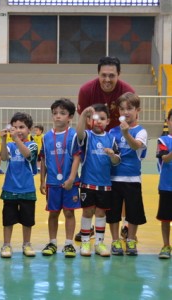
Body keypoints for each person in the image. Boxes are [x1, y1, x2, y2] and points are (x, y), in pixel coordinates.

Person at [76, 56, 135, 241]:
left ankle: (125, 224)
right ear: (98, 74)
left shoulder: (127, 91)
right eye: (103, 75)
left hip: (118, 138)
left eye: (112, 75)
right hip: (94, 139)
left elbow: (132, 120)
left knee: (120, 183)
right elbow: (84, 123)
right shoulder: (86, 90)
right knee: (92, 184)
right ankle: (89, 227)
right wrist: (91, 142)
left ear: (119, 74)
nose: (107, 79)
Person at [106, 92, 147, 256]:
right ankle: (115, 240)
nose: (125, 112)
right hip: (113, 179)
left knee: (133, 213)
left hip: (132, 179)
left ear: (138, 110)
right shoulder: (112, 132)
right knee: (113, 212)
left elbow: (136, 146)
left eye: (129, 108)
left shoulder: (141, 131)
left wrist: (126, 134)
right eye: (122, 109)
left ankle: (130, 240)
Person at [77, 103, 120, 257]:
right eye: (95, 118)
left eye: (102, 118)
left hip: (105, 185)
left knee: (101, 213)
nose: (99, 121)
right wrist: (83, 115)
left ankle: (100, 243)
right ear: (90, 121)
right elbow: (79, 133)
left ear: (108, 121)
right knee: (87, 212)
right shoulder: (88, 136)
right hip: (88, 182)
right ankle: (85, 242)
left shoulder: (111, 138)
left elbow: (116, 161)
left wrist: (112, 156)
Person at [40, 99, 81, 258]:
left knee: (69, 213)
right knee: (53, 213)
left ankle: (69, 244)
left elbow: (77, 158)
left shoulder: (74, 135)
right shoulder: (46, 137)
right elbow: (43, 160)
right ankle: (52, 242)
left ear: (70, 117)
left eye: (62, 113)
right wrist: (42, 181)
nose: (58, 116)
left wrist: (71, 178)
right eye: (55, 113)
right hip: (52, 183)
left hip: (70, 182)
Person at [0, 112, 38, 258]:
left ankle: (26, 244)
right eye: (14, 127)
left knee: (27, 220)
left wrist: (16, 139)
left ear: (29, 129)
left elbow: (28, 155)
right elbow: (3, 157)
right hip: (10, 188)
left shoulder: (32, 144)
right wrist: (3, 141)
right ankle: (6, 244)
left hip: (27, 189)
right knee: (8, 219)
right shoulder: (10, 145)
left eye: (21, 127)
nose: (18, 130)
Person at [156, 108, 172, 259]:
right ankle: (166, 245)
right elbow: (165, 158)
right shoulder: (163, 141)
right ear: (168, 121)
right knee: (166, 218)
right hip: (167, 186)